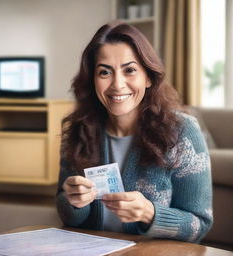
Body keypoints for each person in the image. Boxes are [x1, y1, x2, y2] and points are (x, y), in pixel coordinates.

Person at [56, 22, 213, 243]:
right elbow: (68, 215)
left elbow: (200, 225)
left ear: (148, 77)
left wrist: (150, 214)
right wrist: (72, 201)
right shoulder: (79, 130)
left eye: (129, 70)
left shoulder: (183, 132)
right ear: (93, 80)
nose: (117, 84)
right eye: (104, 72)